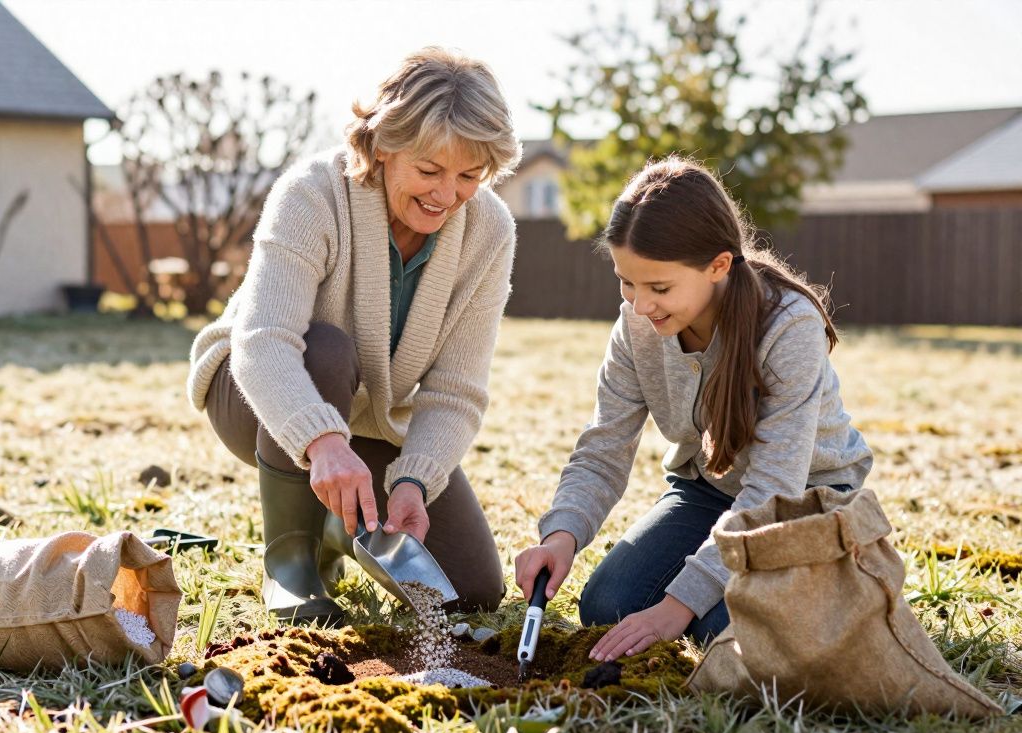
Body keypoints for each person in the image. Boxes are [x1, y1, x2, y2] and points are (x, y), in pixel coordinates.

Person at [187, 47, 521, 624]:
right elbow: (264, 341)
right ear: (385, 146)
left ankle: (339, 530)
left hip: (370, 416)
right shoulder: (312, 193)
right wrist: (323, 444)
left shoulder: (489, 230)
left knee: (470, 589)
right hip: (255, 396)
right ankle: (290, 564)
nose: (447, 195)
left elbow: (455, 390)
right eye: (429, 171)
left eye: (469, 176)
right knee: (326, 348)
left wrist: (416, 478)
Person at [515, 157, 873, 661]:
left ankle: (839, 576)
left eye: (659, 288)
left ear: (718, 265)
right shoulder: (637, 325)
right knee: (607, 604)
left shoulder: (789, 326)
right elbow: (604, 448)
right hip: (709, 491)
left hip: (803, 500)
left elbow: (773, 488)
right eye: (626, 282)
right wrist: (561, 536)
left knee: (718, 625)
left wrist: (677, 605)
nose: (640, 305)